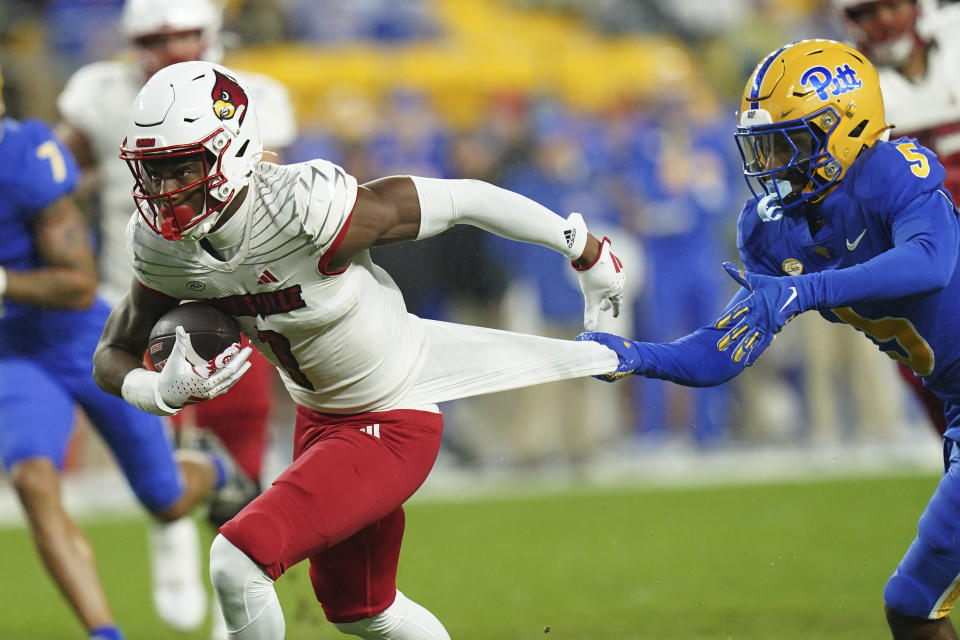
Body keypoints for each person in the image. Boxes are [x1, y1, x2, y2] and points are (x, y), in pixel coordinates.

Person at [92, 60, 624, 640]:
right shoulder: (162, 247)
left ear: (233, 150)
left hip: (392, 418)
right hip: (320, 418)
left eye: (180, 169)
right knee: (363, 611)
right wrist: (158, 392)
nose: (164, 193)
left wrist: (584, 249)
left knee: (236, 560)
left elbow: (463, 198)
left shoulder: (303, 209)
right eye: (152, 173)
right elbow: (112, 352)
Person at [581, 38, 960, 639]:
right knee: (913, 608)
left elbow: (930, 261)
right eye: (762, 144)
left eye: (793, 140)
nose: (772, 162)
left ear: (847, 126)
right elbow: (726, 346)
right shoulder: (770, 230)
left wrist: (807, 291)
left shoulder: (889, 169)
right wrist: (639, 358)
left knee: (912, 604)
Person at [55, 0, 297, 631]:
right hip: (130, 287)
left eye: (187, 33)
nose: (174, 47)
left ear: (212, 34)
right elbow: (54, 177)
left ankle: (234, 587)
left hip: (228, 293)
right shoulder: (102, 95)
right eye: (159, 37)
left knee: (238, 445)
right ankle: (170, 538)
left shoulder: (251, 97)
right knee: (151, 445)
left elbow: (272, 192)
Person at [0, 66, 250, 640]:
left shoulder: (22, 158)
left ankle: (213, 471)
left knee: (163, 499)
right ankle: (104, 634)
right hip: (14, 353)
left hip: (81, 338)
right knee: (35, 482)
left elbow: (78, 283)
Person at [834, 0, 960, 436]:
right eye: (867, 12)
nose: (883, 20)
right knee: (941, 400)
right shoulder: (845, 88)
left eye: (891, 5)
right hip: (927, 269)